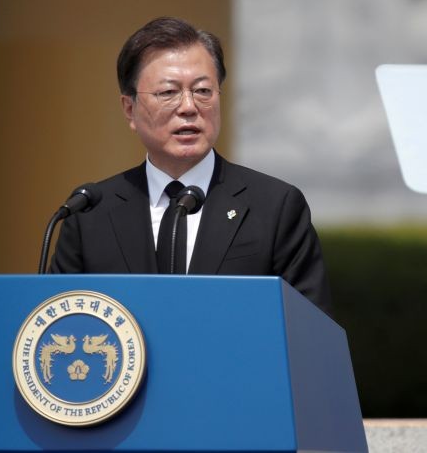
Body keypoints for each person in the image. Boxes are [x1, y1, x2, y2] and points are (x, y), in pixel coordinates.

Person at [50, 16, 332, 315]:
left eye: (202, 91)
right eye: (168, 93)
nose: (188, 107)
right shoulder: (90, 214)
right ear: (129, 109)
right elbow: (60, 323)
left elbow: (308, 330)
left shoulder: (275, 207)